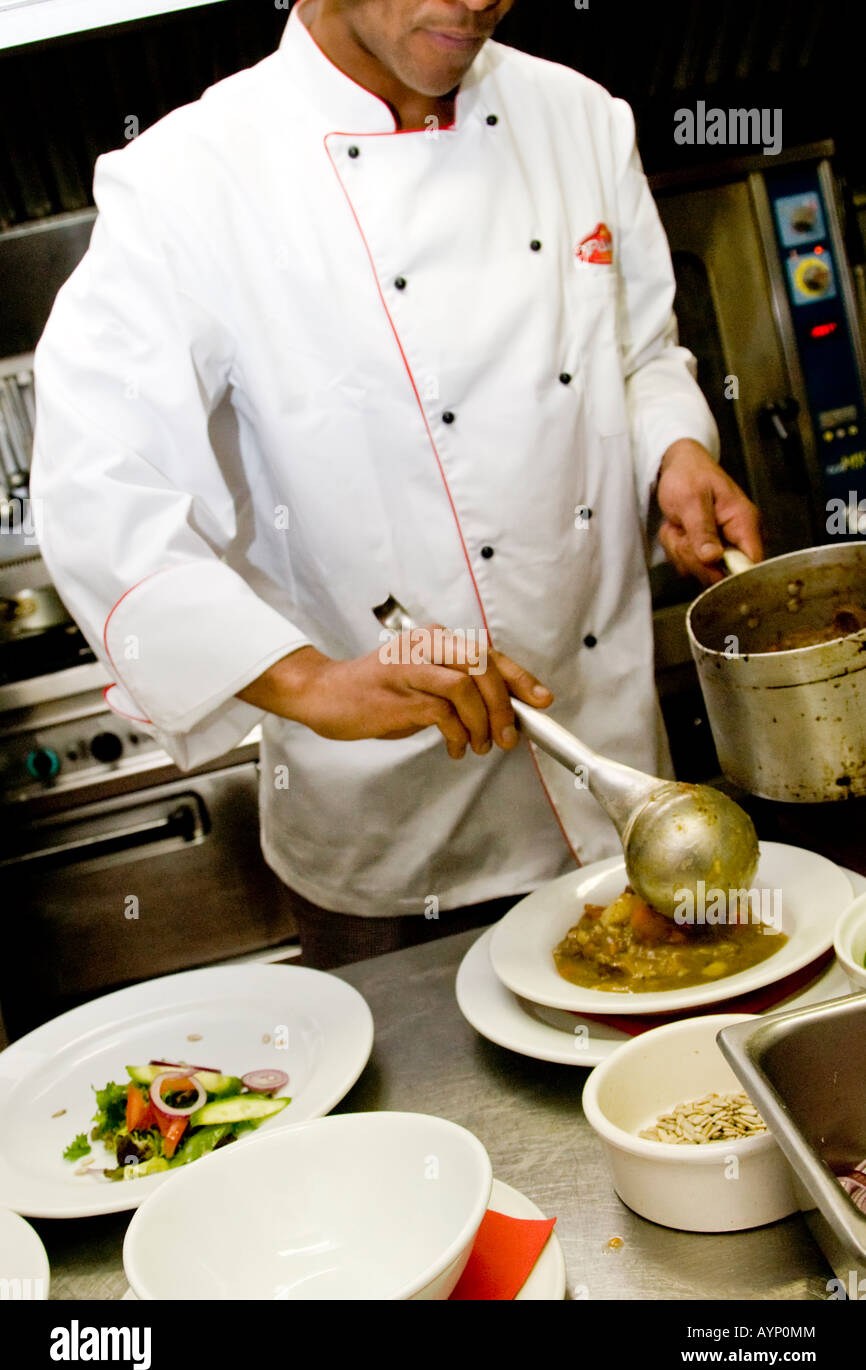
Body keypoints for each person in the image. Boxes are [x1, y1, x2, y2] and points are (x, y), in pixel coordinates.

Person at [31, 0, 762, 968]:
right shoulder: (188, 181)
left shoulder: (581, 118)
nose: (475, 1)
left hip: (622, 792)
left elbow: (637, 355)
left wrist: (674, 450)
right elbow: (98, 485)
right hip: (389, 863)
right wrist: (309, 683)